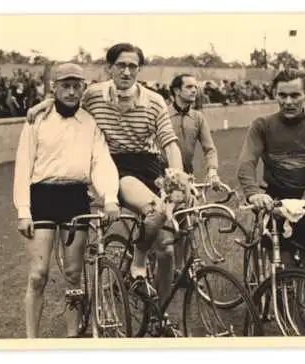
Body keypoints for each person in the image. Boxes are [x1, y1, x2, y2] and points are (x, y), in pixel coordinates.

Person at [25, 43, 185, 313]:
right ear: (109, 68)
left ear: (139, 69)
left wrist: (178, 177)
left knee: (167, 251)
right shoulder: (94, 95)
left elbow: (169, 143)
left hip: (148, 166)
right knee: (156, 211)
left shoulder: (155, 101)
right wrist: (45, 103)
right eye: (120, 65)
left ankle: (159, 314)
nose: (126, 71)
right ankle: (137, 263)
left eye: (133, 66)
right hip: (115, 167)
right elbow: (68, 98)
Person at [13, 63, 121, 338]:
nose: (72, 92)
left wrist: (109, 197)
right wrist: (23, 210)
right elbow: (23, 165)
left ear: (83, 88)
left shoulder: (90, 122)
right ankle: (31, 341)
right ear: (55, 88)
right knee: (38, 274)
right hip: (43, 196)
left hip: (75, 197)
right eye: (65, 86)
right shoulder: (36, 120)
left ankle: (73, 337)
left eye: (77, 86)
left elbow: (101, 162)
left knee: (74, 274)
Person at [236, 69, 305, 335]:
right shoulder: (262, 125)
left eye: (295, 95)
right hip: (276, 206)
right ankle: (292, 334)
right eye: (282, 95)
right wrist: (253, 191)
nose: (289, 101)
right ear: (274, 95)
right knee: (285, 278)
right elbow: (246, 163)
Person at [168, 73, 222, 277]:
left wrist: (213, 171)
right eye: (189, 86)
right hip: (161, 177)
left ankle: (181, 271)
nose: (194, 90)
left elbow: (210, 148)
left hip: (187, 177)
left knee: (185, 226)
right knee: (161, 228)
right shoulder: (162, 114)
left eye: (195, 87)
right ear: (176, 91)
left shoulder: (198, 117)